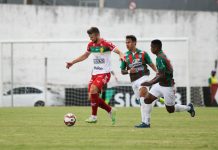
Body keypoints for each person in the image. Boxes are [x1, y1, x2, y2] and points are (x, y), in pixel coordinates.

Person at [66, 27, 125, 124]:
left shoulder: (106, 43)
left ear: (97, 35)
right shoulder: (90, 45)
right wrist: (73, 62)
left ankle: (94, 117)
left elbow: (119, 51)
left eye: (92, 37)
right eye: (89, 37)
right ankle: (110, 110)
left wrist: (121, 55)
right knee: (92, 97)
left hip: (104, 73)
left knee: (93, 90)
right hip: (94, 74)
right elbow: (85, 56)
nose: (90, 39)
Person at [141, 39, 195, 128]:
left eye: (151, 47)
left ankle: (189, 108)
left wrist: (150, 82)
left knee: (170, 109)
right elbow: (161, 74)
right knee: (147, 99)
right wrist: (152, 81)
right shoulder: (160, 56)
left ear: (156, 48)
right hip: (160, 85)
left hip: (168, 86)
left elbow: (162, 75)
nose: (150, 48)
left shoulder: (160, 58)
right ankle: (146, 123)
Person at [120, 35, 157, 128]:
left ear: (134, 42)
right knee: (142, 102)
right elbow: (122, 71)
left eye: (128, 42)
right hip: (133, 81)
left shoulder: (143, 53)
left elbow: (151, 64)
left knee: (143, 94)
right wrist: (129, 71)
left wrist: (158, 73)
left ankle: (146, 122)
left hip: (144, 77)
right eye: (126, 42)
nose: (127, 44)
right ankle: (144, 122)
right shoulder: (125, 55)